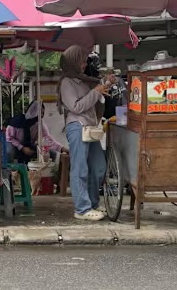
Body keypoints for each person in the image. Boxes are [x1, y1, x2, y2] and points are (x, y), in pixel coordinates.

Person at [58, 45, 110, 221]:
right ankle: (82, 208)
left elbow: (94, 95)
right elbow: (76, 106)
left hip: (90, 127)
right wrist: (95, 92)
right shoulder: (66, 82)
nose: (83, 65)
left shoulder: (82, 80)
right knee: (80, 168)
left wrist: (106, 83)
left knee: (98, 166)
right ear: (71, 62)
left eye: (83, 61)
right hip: (77, 126)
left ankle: (93, 204)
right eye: (80, 62)